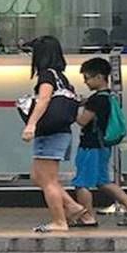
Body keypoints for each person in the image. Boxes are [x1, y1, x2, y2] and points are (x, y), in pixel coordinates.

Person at [69, 57, 127, 228]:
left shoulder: (96, 100)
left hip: (90, 146)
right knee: (103, 181)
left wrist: (71, 107)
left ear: (99, 77)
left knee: (81, 183)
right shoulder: (109, 96)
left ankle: (88, 217)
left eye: (87, 78)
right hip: (103, 146)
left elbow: (82, 121)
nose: (85, 82)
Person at [22, 36, 87, 233]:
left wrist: (31, 124)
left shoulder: (47, 76)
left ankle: (59, 221)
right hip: (61, 132)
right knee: (38, 176)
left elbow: (44, 100)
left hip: (49, 133)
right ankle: (73, 207)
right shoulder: (61, 77)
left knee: (48, 180)